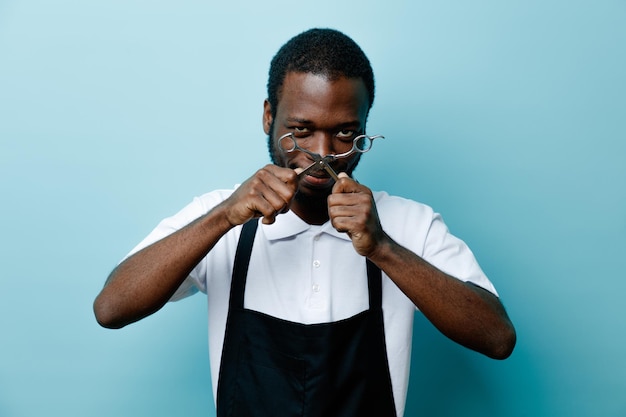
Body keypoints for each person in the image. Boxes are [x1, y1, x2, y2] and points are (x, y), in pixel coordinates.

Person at [94, 28, 516, 417]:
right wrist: (223, 218)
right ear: (268, 118)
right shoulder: (221, 215)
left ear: (366, 127)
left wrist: (382, 247)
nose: (322, 152)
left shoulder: (408, 224)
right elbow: (111, 308)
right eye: (301, 129)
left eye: (346, 133)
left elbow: (497, 339)